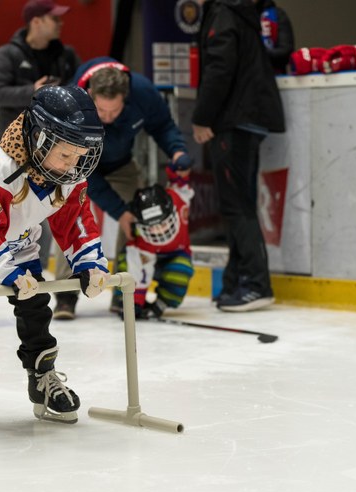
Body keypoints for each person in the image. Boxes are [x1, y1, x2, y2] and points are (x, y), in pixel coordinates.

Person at [0, 85, 108, 432]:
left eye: (80, 156)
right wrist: (6, 271)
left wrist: (89, 262)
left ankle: (42, 377)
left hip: (20, 233)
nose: (73, 164)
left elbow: (74, 219)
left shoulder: (66, 174)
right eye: (66, 155)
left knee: (35, 304)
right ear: (39, 138)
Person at [50, 58, 193, 320]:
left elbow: (163, 126)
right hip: (77, 166)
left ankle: (124, 289)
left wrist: (177, 151)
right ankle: (66, 293)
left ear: (125, 98)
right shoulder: (71, 107)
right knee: (68, 217)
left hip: (120, 162)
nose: (106, 118)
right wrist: (119, 211)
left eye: (113, 112)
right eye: (100, 111)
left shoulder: (143, 92)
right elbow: (88, 179)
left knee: (135, 220)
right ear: (90, 95)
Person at [191, 0, 283, 312]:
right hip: (245, 118)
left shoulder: (223, 12)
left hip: (235, 120)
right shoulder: (237, 10)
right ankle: (236, 282)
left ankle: (257, 284)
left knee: (237, 205)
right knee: (236, 204)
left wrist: (202, 117)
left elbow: (220, 67)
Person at [0, 0, 81, 270]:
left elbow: (79, 89)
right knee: (25, 213)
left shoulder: (66, 55)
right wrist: (34, 90)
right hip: (20, 149)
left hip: (59, 149)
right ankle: (22, 273)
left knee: (60, 208)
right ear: (36, 21)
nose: (61, 23)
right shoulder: (9, 54)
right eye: (55, 19)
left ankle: (51, 285)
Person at [121, 167, 195, 320]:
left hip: (174, 258)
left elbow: (181, 182)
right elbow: (138, 272)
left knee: (182, 269)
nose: (159, 231)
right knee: (126, 264)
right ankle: (122, 299)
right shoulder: (140, 239)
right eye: (152, 227)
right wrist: (134, 304)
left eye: (162, 224)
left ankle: (162, 303)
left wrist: (177, 167)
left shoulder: (179, 199)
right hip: (149, 260)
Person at [259, 0, 295, 74]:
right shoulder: (236, 16)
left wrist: (256, 54)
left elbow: (285, 52)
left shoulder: (277, 14)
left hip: (273, 76)